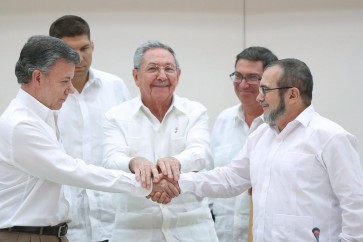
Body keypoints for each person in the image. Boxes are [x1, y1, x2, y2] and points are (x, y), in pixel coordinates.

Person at [0, 35, 178, 242]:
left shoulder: (43, 116)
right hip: (24, 236)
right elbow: (74, 171)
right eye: (65, 81)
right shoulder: (21, 124)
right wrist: (146, 184)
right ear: (38, 78)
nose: (70, 89)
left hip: (46, 234)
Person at [169, 58, 363, 241]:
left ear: (292, 95)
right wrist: (176, 181)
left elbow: (355, 203)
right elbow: (229, 179)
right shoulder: (260, 135)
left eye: (265, 90)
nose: (259, 97)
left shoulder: (331, 137)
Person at [102, 40, 218, 242]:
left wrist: (176, 163)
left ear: (178, 75)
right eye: (153, 69)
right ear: (136, 76)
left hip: (193, 229)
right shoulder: (116, 116)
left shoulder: (195, 112)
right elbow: (111, 159)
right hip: (134, 230)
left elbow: (202, 153)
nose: (162, 76)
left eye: (169, 69)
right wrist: (134, 163)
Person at [49, 15, 131, 242]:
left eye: (85, 48)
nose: (78, 57)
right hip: (66, 224)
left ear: (92, 45)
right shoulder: (45, 94)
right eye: (68, 50)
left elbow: (129, 143)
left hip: (114, 221)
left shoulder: (115, 87)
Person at [211, 47, 277, 242]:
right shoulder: (224, 119)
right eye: (238, 76)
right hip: (223, 234)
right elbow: (213, 175)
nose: (243, 84)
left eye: (252, 78)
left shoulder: (281, 124)